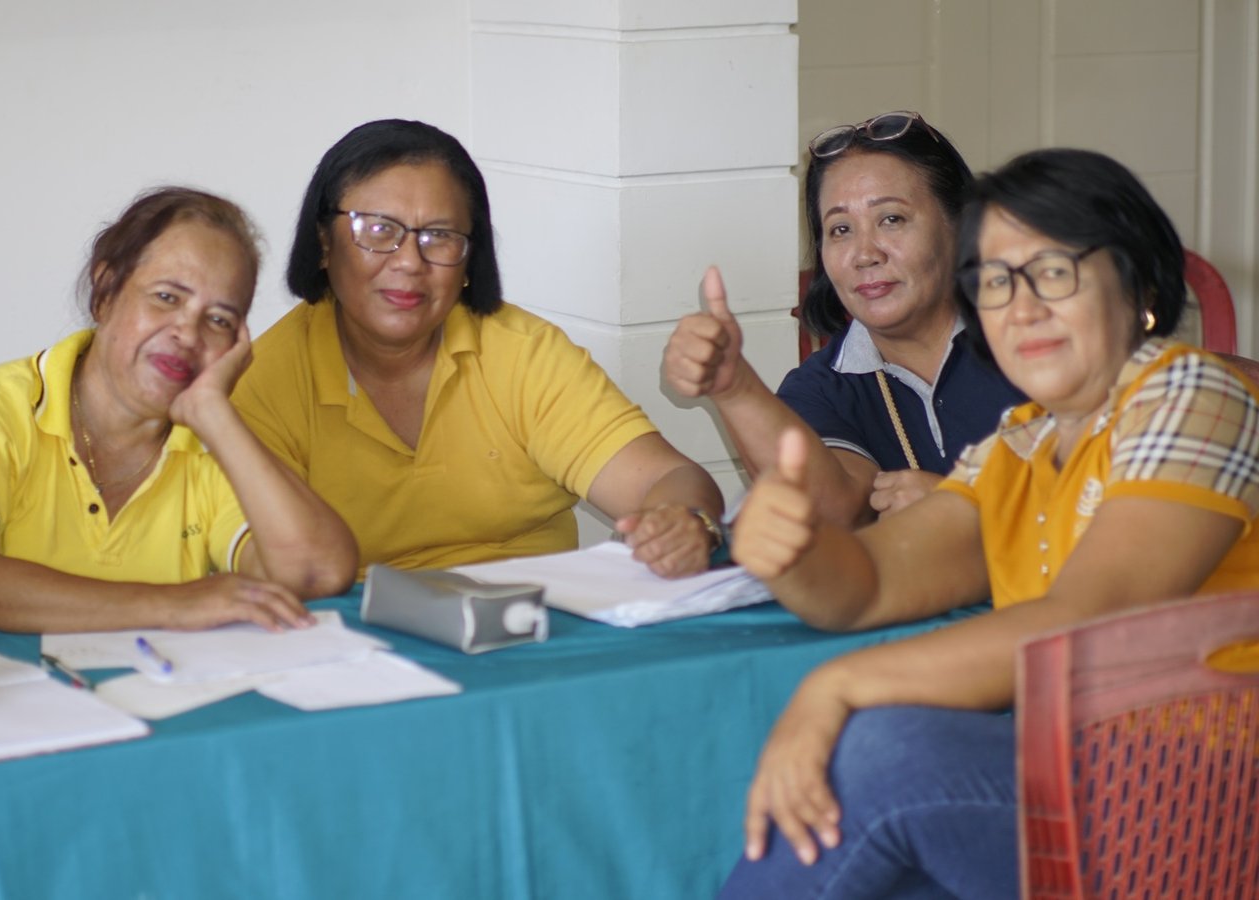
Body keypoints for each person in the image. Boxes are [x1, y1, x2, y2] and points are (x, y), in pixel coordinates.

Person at [717, 149, 1259, 898]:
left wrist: (833, 687)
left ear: (1139, 282)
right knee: (878, 835)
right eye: (997, 282)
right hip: (1095, 777)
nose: (1021, 308)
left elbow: (1091, 619)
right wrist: (795, 554)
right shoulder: (1019, 446)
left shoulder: (1195, 393)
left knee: (890, 753)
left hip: (1216, 796)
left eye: (1053, 272)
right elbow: (866, 585)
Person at [231, 119, 725, 578]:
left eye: (439, 236)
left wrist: (684, 522)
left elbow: (667, 478)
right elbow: (276, 563)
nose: (410, 261)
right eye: (379, 230)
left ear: (470, 258)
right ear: (323, 243)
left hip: (537, 616)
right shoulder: (267, 380)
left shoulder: (521, 354)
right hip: (354, 626)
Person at [0, 187, 358, 641]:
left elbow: (316, 574)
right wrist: (170, 606)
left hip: (135, 681)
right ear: (105, 291)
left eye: (219, 320)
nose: (188, 333)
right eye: (166, 297)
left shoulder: (212, 444)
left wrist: (215, 415)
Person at [664, 111, 1024, 525]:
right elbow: (832, 510)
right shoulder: (821, 388)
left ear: (960, 226)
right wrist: (735, 388)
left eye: (891, 219)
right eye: (840, 230)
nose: (865, 254)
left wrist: (969, 506)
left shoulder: (1034, 333)